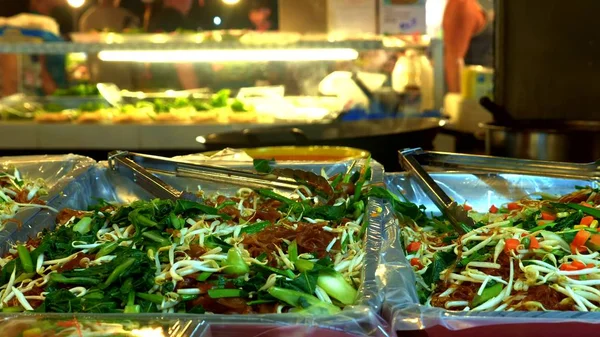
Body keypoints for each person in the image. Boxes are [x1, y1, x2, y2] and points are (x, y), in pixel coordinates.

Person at [442, 0, 494, 93]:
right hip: (476, 93)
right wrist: (458, 103)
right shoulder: (462, 3)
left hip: (494, 89)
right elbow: (454, 58)